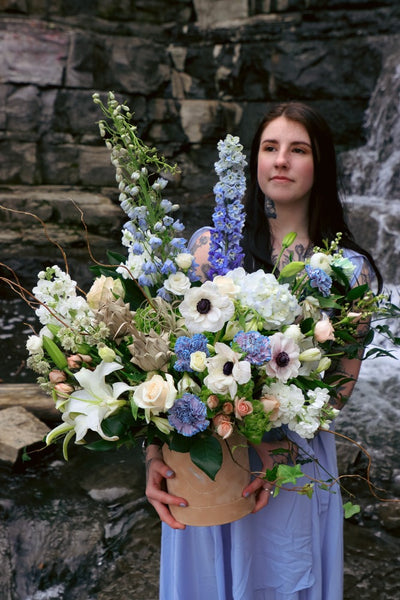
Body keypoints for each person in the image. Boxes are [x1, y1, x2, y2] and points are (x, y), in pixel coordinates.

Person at [145, 102, 382, 600]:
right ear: (253, 162)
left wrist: (276, 443)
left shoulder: (348, 271)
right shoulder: (210, 248)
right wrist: (154, 454)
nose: (281, 160)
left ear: (321, 165)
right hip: (206, 458)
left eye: (298, 150)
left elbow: (337, 390)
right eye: (270, 148)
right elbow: (162, 363)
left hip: (289, 461)